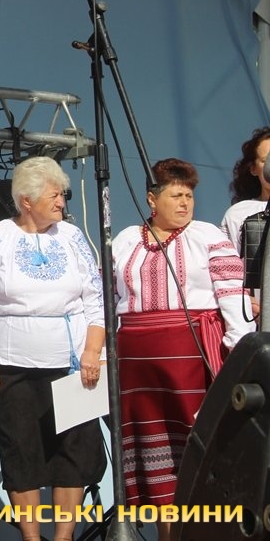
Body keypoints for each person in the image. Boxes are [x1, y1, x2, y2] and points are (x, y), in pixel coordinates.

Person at [112, 158, 253, 541]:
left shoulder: (206, 236)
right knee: (152, 455)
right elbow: (109, 298)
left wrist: (238, 351)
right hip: (138, 365)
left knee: (195, 446)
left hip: (188, 356)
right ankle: (166, 535)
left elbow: (232, 295)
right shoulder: (125, 240)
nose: (185, 203)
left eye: (189, 196)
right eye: (176, 195)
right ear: (151, 199)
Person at [0, 157, 105, 541]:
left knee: (73, 452)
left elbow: (95, 299)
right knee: (21, 451)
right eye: (53, 196)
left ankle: (64, 537)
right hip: (12, 363)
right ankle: (31, 538)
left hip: (71, 363)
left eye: (61, 195)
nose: (61, 202)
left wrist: (92, 352)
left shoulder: (71, 236)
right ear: (26, 201)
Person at [220, 126, 270, 317]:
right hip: (259, 318)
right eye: (266, 161)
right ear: (253, 169)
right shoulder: (239, 214)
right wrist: (246, 300)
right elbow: (226, 268)